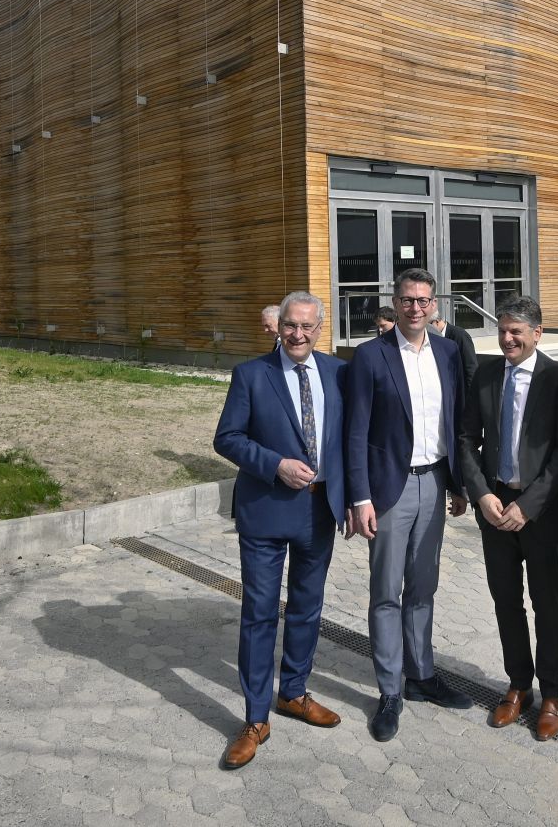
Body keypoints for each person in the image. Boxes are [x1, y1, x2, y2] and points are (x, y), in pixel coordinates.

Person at [213, 293, 347, 768]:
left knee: (308, 610)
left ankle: (293, 692)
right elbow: (226, 437)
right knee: (260, 614)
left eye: (307, 328)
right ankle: (254, 718)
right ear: (278, 327)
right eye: (291, 326)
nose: (298, 335)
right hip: (267, 512)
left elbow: (348, 438)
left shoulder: (337, 372)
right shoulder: (252, 374)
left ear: (319, 330)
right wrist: (274, 465)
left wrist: (354, 499)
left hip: (319, 514)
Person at [344, 267, 471, 742]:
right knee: (385, 592)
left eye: (423, 300)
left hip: (435, 482)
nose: (415, 307)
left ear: (434, 304)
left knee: (423, 587)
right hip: (389, 491)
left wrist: (458, 484)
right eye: (406, 300)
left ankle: (421, 676)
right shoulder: (370, 356)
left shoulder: (448, 351)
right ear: (394, 303)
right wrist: (360, 498)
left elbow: (454, 421)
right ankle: (389, 690)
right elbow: (356, 432)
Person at [456, 296, 558, 741]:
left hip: (540, 514)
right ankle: (518, 685)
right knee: (506, 600)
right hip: (495, 508)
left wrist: (528, 505)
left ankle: (551, 693)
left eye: (517, 332)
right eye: (503, 330)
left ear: (537, 334)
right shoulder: (487, 374)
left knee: (547, 604)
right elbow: (467, 438)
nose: (507, 339)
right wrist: (482, 493)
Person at [429, 310, 480, 396]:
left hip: (460, 393)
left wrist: (471, 398)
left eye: (428, 325)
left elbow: (471, 368)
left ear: (436, 322)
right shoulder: (431, 339)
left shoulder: (460, 336)